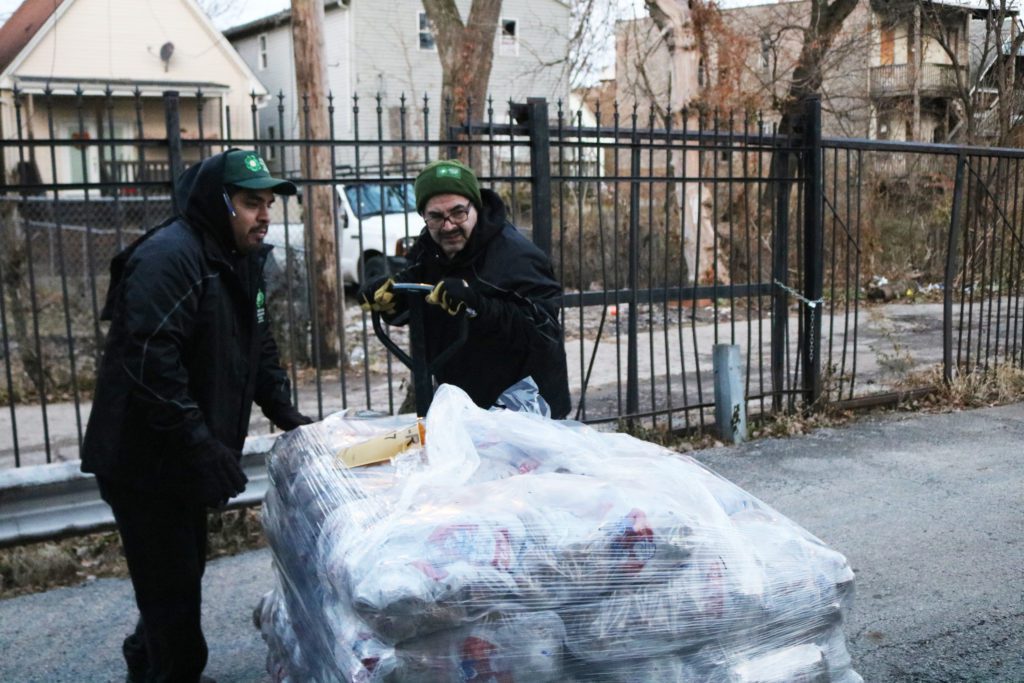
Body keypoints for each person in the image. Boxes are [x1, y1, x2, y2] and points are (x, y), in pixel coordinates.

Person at [80, 149, 312, 683]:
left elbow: (259, 339)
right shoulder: (169, 258)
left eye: (269, 204)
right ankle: (171, 670)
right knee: (173, 586)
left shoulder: (243, 259)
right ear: (219, 203)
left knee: (178, 576)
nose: (265, 216)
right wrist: (201, 445)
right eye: (252, 204)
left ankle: (147, 659)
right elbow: (148, 363)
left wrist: (279, 405)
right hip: (143, 457)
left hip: (182, 452)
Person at [359, 159, 571, 418]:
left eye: (458, 212)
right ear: (424, 217)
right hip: (464, 404)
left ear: (476, 208)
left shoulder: (517, 256)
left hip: (524, 407)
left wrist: (478, 304)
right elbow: (419, 298)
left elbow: (544, 330)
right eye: (435, 216)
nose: (448, 226)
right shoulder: (428, 251)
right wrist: (391, 300)